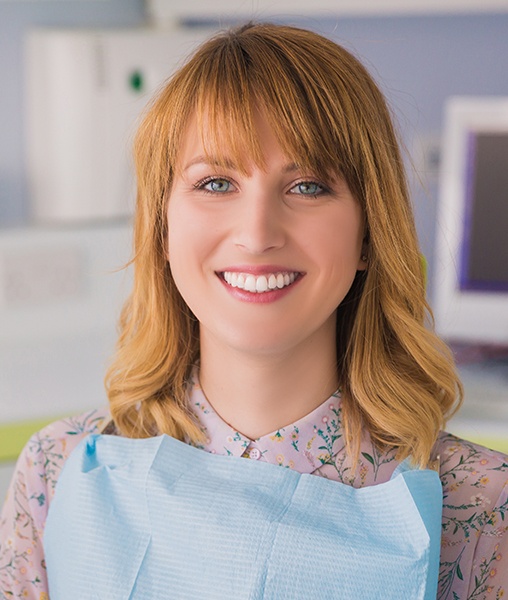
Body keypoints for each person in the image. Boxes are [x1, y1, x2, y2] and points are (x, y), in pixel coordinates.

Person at [1, 22, 507, 599]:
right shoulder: (58, 471)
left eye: (308, 186)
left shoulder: (478, 505)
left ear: (369, 234)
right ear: (163, 227)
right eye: (216, 183)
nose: (257, 232)